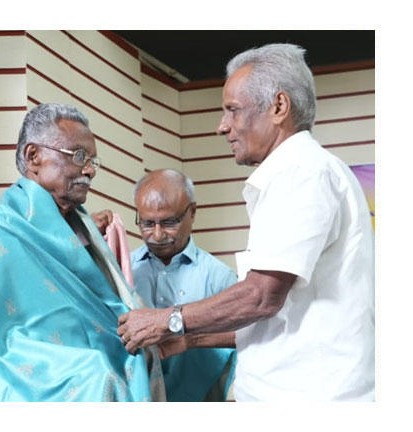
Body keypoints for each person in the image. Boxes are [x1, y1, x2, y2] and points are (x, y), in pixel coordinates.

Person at [117, 43, 374, 401]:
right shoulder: (298, 173)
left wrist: (166, 320)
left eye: (232, 111)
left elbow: (261, 297)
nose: (222, 127)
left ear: (278, 107)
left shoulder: (301, 173)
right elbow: (275, 314)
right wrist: (188, 339)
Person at [0, 103, 164, 401]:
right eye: (79, 156)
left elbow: (104, 310)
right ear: (34, 157)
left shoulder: (83, 229)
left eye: (94, 160)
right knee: (96, 375)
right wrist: (83, 367)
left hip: (112, 360)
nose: (90, 170)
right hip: (44, 383)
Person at [130, 169, 237, 401]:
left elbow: (247, 334)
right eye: (147, 223)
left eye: (169, 223)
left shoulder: (219, 277)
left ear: (193, 212)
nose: (157, 235)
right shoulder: (123, 270)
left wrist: (190, 339)